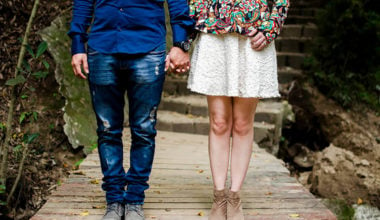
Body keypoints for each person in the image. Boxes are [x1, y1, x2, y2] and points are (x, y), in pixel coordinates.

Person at [68, 1, 194, 219]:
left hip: (148, 48)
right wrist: (78, 44)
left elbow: (177, 2)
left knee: (144, 129)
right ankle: (114, 199)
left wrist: (180, 44)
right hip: (102, 47)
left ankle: (135, 199)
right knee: (107, 129)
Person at [188, 0, 289, 219]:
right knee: (219, 122)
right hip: (215, 35)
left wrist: (271, 27)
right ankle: (219, 196)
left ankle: (234, 196)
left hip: (253, 37)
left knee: (243, 124)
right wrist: (198, 17)